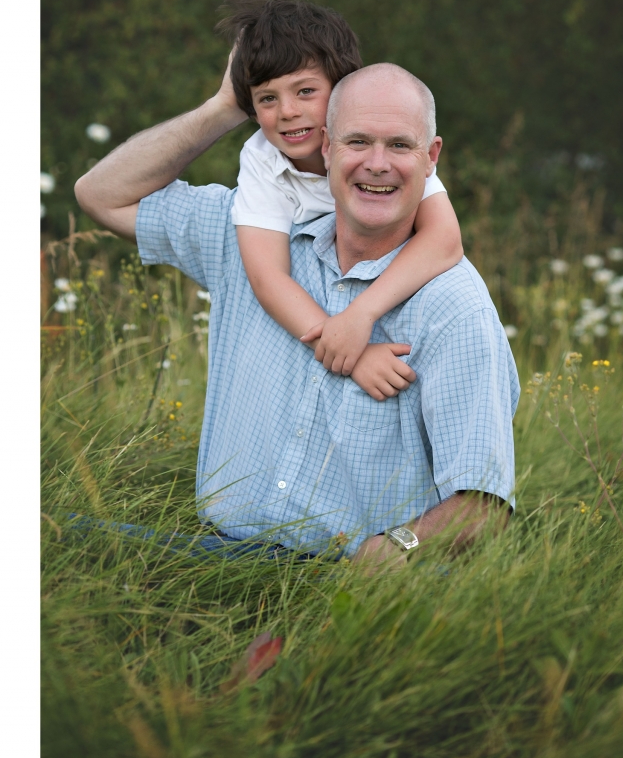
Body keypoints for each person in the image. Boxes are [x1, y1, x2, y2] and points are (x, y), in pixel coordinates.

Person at [75, 47, 520, 566]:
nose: (377, 163)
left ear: (431, 156)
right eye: (357, 142)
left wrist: (401, 545)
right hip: (212, 560)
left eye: (399, 145)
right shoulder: (248, 233)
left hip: (348, 583)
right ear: (327, 147)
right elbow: (102, 195)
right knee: (54, 539)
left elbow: (484, 507)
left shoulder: (453, 307)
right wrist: (224, 105)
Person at [220, 0, 464, 401]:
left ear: (341, 92)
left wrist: (363, 312)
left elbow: (445, 240)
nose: (287, 112)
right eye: (267, 98)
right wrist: (350, 352)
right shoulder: (263, 158)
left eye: (305, 91)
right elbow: (268, 277)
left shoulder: (383, 151)